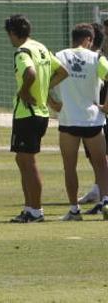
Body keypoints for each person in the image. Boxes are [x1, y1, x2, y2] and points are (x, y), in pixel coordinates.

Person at [3, 14, 65, 223]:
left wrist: (24, 91)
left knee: (28, 162)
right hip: (40, 113)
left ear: (13, 33)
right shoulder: (41, 47)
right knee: (22, 160)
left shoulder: (22, 52)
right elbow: (62, 72)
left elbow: (30, 73)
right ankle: (29, 208)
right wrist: (45, 90)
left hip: (27, 113)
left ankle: (36, 211)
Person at [49, 23, 108, 221]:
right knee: (101, 165)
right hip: (92, 120)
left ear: (73, 39)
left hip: (68, 119)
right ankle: (105, 203)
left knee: (69, 166)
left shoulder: (59, 55)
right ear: (89, 40)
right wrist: (106, 106)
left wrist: (52, 103)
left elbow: (44, 79)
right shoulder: (97, 57)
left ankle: (74, 210)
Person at [80, 21, 108, 207]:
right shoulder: (98, 57)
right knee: (96, 155)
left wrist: (105, 105)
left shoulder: (98, 59)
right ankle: (99, 189)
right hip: (95, 113)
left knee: (100, 155)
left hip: (101, 113)